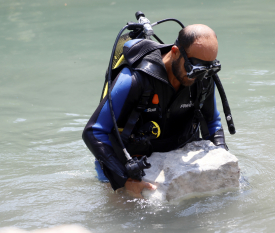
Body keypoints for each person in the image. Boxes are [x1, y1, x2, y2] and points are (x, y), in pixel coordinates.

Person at [82, 24, 227, 197]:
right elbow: (94, 131)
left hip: (175, 157)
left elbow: (212, 122)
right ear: (175, 52)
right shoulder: (135, 79)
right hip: (128, 164)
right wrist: (124, 180)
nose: (201, 76)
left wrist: (223, 160)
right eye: (195, 68)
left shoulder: (202, 79)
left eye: (208, 69)